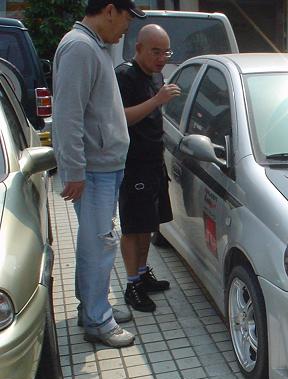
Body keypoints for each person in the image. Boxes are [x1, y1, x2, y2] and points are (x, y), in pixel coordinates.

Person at [52, 0, 145, 348]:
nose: (126, 29)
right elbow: (67, 115)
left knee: (95, 241)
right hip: (93, 171)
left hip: (104, 166)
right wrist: (74, 169)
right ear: (109, 10)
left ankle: (93, 307)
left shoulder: (94, 46)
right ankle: (97, 320)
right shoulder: (80, 48)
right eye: (126, 19)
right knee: (99, 244)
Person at [116, 24, 180, 312]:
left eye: (166, 52)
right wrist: (157, 99)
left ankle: (142, 275)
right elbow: (121, 117)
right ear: (138, 48)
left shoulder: (156, 75)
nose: (162, 58)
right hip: (133, 164)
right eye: (156, 52)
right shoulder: (124, 76)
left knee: (148, 225)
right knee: (133, 227)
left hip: (154, 161)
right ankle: (132, 285)